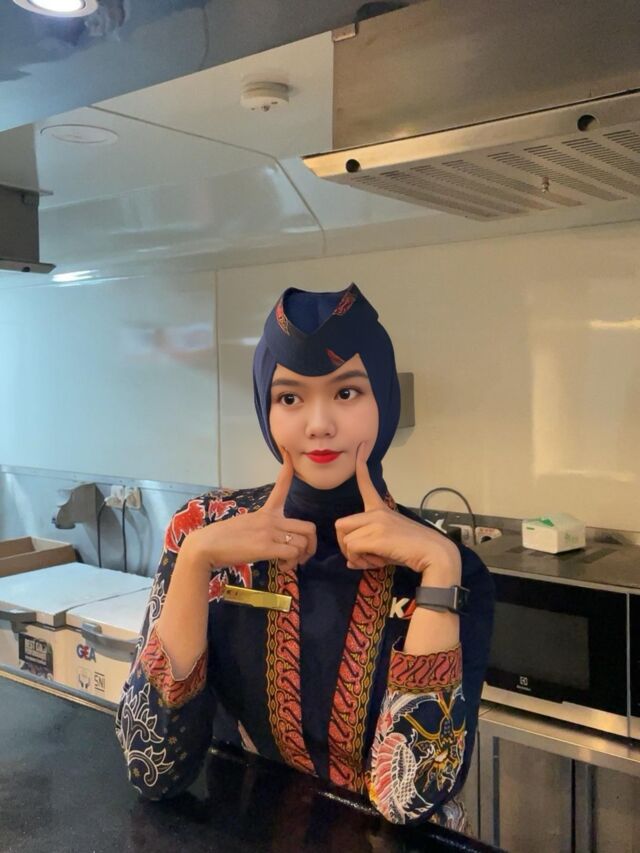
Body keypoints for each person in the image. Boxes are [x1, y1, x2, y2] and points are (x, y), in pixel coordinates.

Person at [115, 283, 495, 828]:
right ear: (265, 408)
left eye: (347, 393)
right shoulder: (203, 533)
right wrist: (195, 559)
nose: (319, 424)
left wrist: (439, 569)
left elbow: (407, 800)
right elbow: (151, 769)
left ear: (386, 400)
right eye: (290, 398)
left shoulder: (450, 570)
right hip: (243, 832)